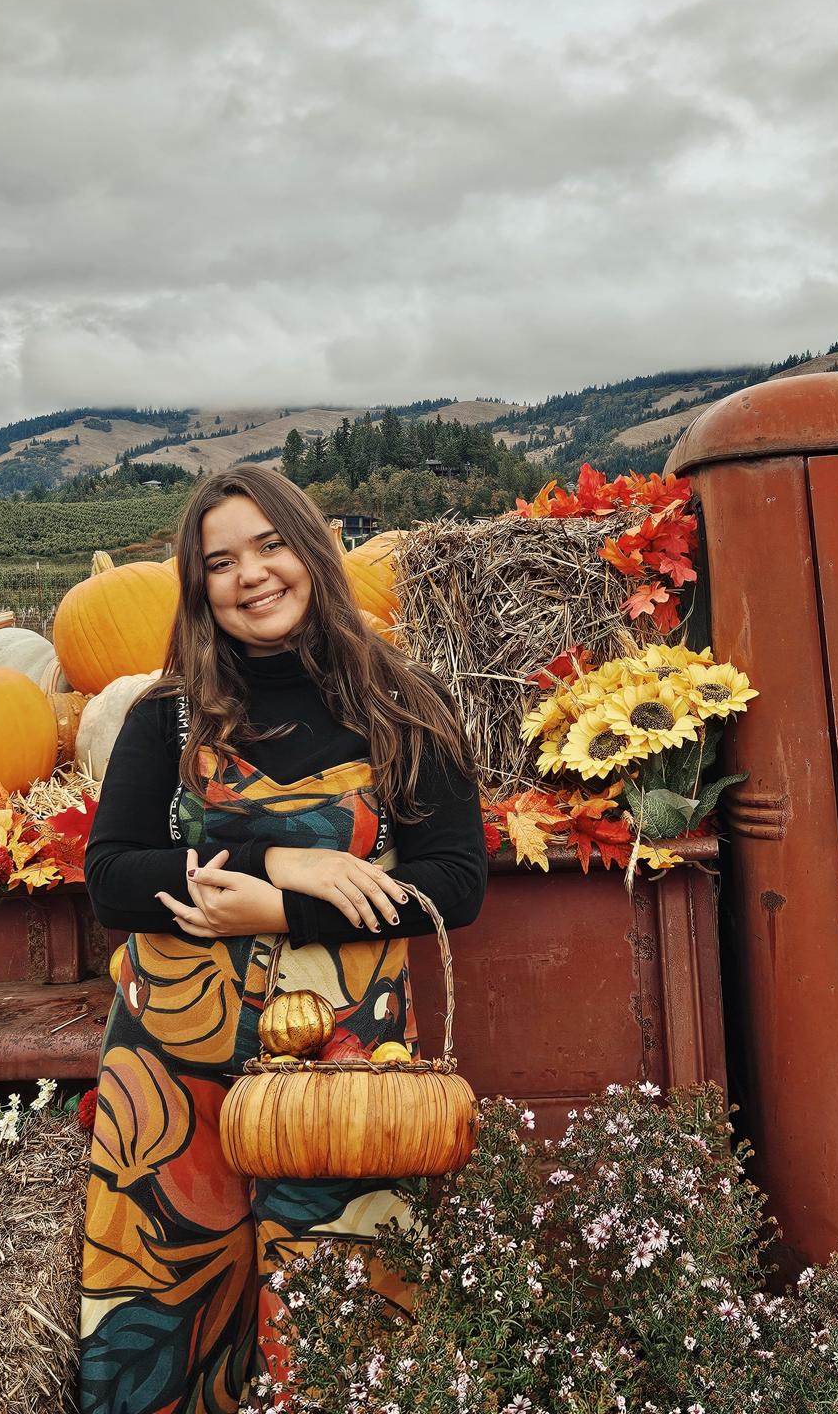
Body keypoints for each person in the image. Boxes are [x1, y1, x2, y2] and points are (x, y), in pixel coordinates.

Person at [78, 464, 486, 1414]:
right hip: (173, 1072)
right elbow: (111, 877)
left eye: (269, 546)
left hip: (345, 1064)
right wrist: (282, 861)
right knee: (167, 1300)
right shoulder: (167, 715)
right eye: (221, 562)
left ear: (312, 550)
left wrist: (281, 911)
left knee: (343, 1301)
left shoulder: (403, 704)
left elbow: (455, 885)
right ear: (199, 587)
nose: (251, 575)